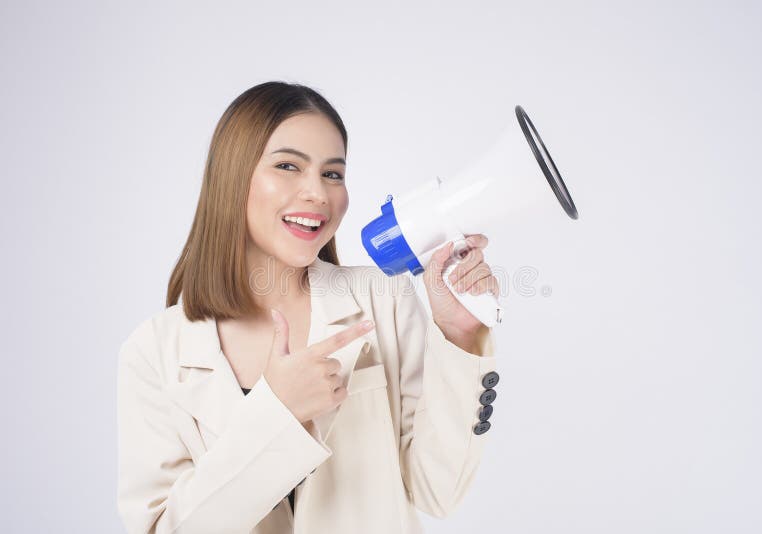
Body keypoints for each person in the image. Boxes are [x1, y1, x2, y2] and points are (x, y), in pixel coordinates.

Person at [116, 81, 500, 534]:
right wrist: (277, 414)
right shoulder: (154, 351)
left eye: (332, 173)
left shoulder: (384, 300)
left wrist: (460, 338)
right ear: (232, 177)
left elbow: (438, 492)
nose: (318, 192)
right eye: (287, 166)